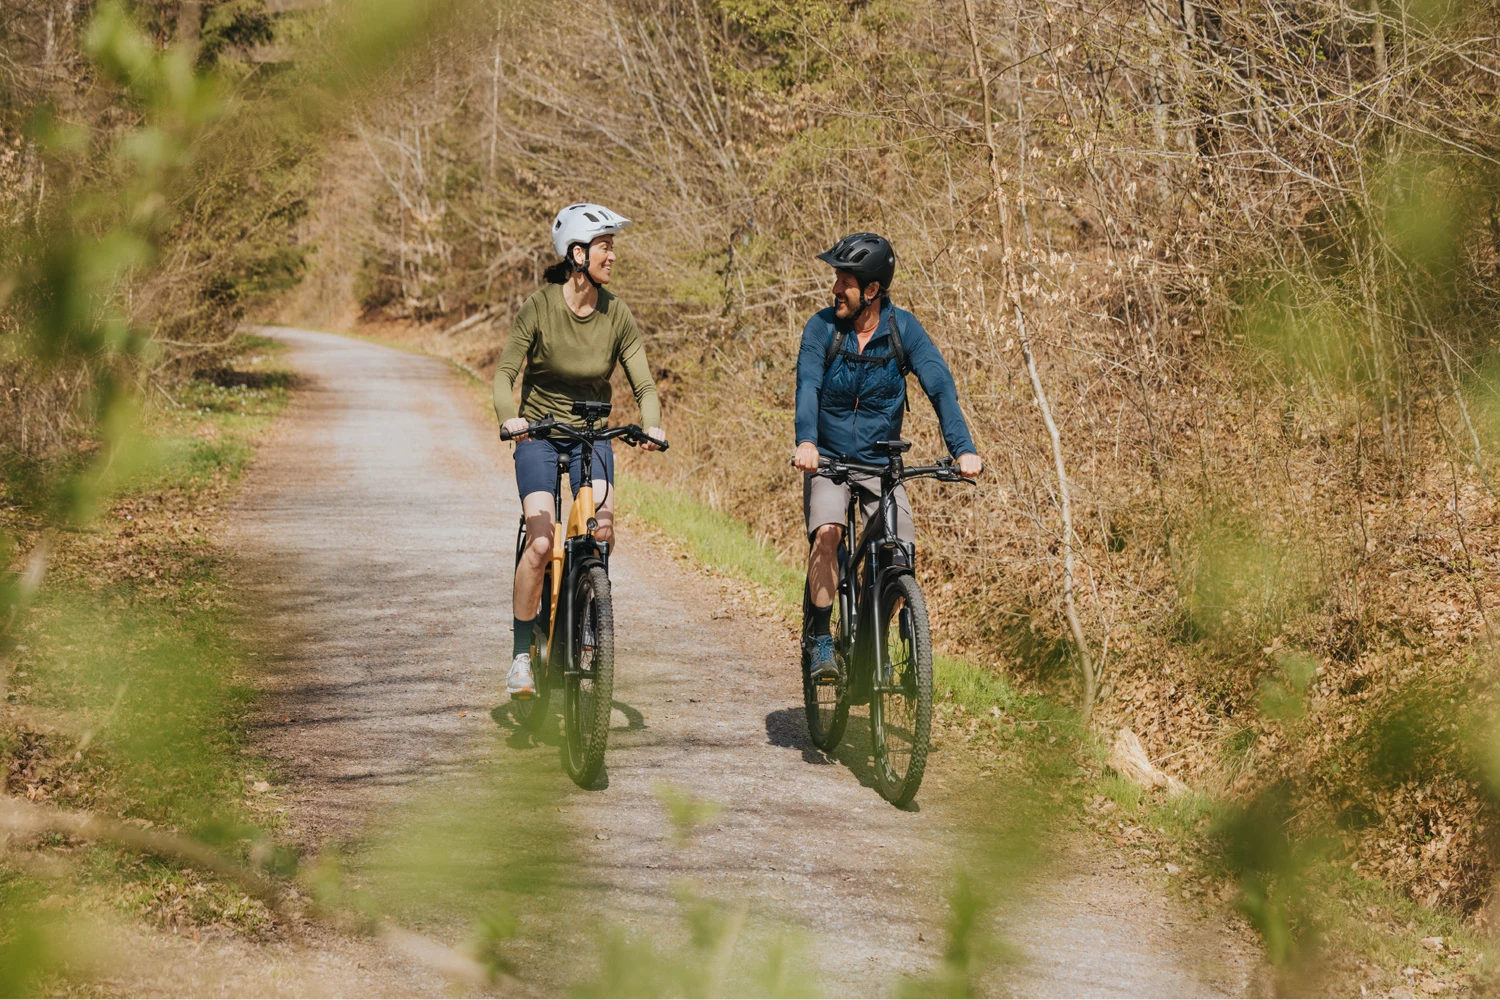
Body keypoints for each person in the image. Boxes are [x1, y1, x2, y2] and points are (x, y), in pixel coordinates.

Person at [494, 203, 665, 699]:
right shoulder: (540, 306)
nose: (612, 256)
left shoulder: (617, 314)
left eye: (612, 246)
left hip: (593, 435)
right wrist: (511, 417)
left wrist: (650, 426)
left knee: (602, 531)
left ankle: (590, 616)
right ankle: (521, 656)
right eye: (605, 246)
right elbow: (506, 375)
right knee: (542, 542)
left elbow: (645, 386)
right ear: (577, 253)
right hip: (539, 435)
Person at [793, 233, 982, 680]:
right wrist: (806, 442)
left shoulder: (904, 331)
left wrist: (964, 448)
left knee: (900, 554)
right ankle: (821, 637)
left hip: (882, 462)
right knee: (828, 534)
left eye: (846, 280)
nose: (836, 288)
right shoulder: (821, 328)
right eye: (837, 278)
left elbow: (940, 385)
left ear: (873, 290)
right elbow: (807, 386)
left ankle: (870, 643)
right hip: (830, 460)